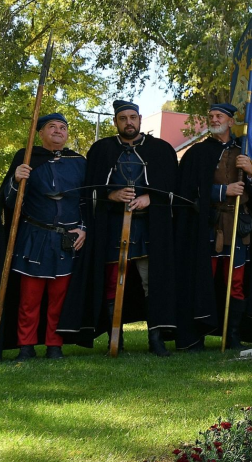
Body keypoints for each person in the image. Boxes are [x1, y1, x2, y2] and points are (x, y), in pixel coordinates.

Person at [60, 100, 179, 356]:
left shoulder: (160, 149)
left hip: (149, 229)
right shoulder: (101, 150)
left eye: (132, 117)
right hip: (112, 228)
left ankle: (155, 338)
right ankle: (116, 338)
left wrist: (151, 198)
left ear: (140, 119)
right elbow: (90, 190)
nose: (128, 122)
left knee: (152, 282)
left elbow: (174, 190)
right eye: (123, 118)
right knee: (113, 283)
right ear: (116, 121)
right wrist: (111, 196)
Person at [0, 113, 87, 361]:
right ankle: (26, 347)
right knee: (29, 299)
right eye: (51, 126)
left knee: (59, 298)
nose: (58, 131)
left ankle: (55, 346)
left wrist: (84, 228)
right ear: (40, 133)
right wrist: (16, 179)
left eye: (63, 127)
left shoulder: (79, 162)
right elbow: (8, 202)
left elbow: (88, 201)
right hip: (34, 238)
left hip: (67, 241)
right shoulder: (27, 157)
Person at [175, 103, 252, 351]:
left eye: (218, 116)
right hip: (208, 226)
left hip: (238, 228)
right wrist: (223, 191)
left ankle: (232, 334)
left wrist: (251, 173)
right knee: (204, 280)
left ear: (231, 121)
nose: (213, 119)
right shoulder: (197, 153)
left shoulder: (245, 150)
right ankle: (198, 333)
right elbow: (188, 190)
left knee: (237, 282)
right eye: (210, 116)